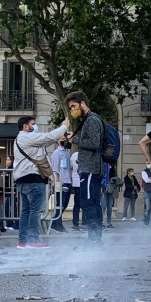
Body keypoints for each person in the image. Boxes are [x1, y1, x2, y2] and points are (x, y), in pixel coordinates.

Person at [13, 114, 69, 248]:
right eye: (33, 124)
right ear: (25, 126)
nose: (35, 126)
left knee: (26, 211)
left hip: (23, 179)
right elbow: (47, 137)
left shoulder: (21, 139)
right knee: (35, 211)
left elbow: (47, 141)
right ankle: (33, 240)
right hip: (33, 178)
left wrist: (60, 132)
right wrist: (63, 127)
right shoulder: (27, 137)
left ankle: (23, 241)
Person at [66, 91, 105, 245]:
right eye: (70, 108)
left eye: (74, 106)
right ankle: (95, 239)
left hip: (90, 168)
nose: (72, 110)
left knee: (89, 203)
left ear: (82, 104)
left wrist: (74, 139)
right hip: (90, 168)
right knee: (92, 203)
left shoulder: (92, 120)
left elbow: (94, 144)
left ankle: (93, 240)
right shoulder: (89, 120)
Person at [49, 135, 73, 232]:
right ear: (58, 142)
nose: (65, 141)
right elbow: (55, 170)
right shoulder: (56, 153)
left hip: (68, 181)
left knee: (65, 203)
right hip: (61, 182)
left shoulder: (66, 153)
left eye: (65, 139)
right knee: (60, 204)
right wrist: (57, 183)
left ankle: (54, 222)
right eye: (62, 140)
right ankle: (58, 224)